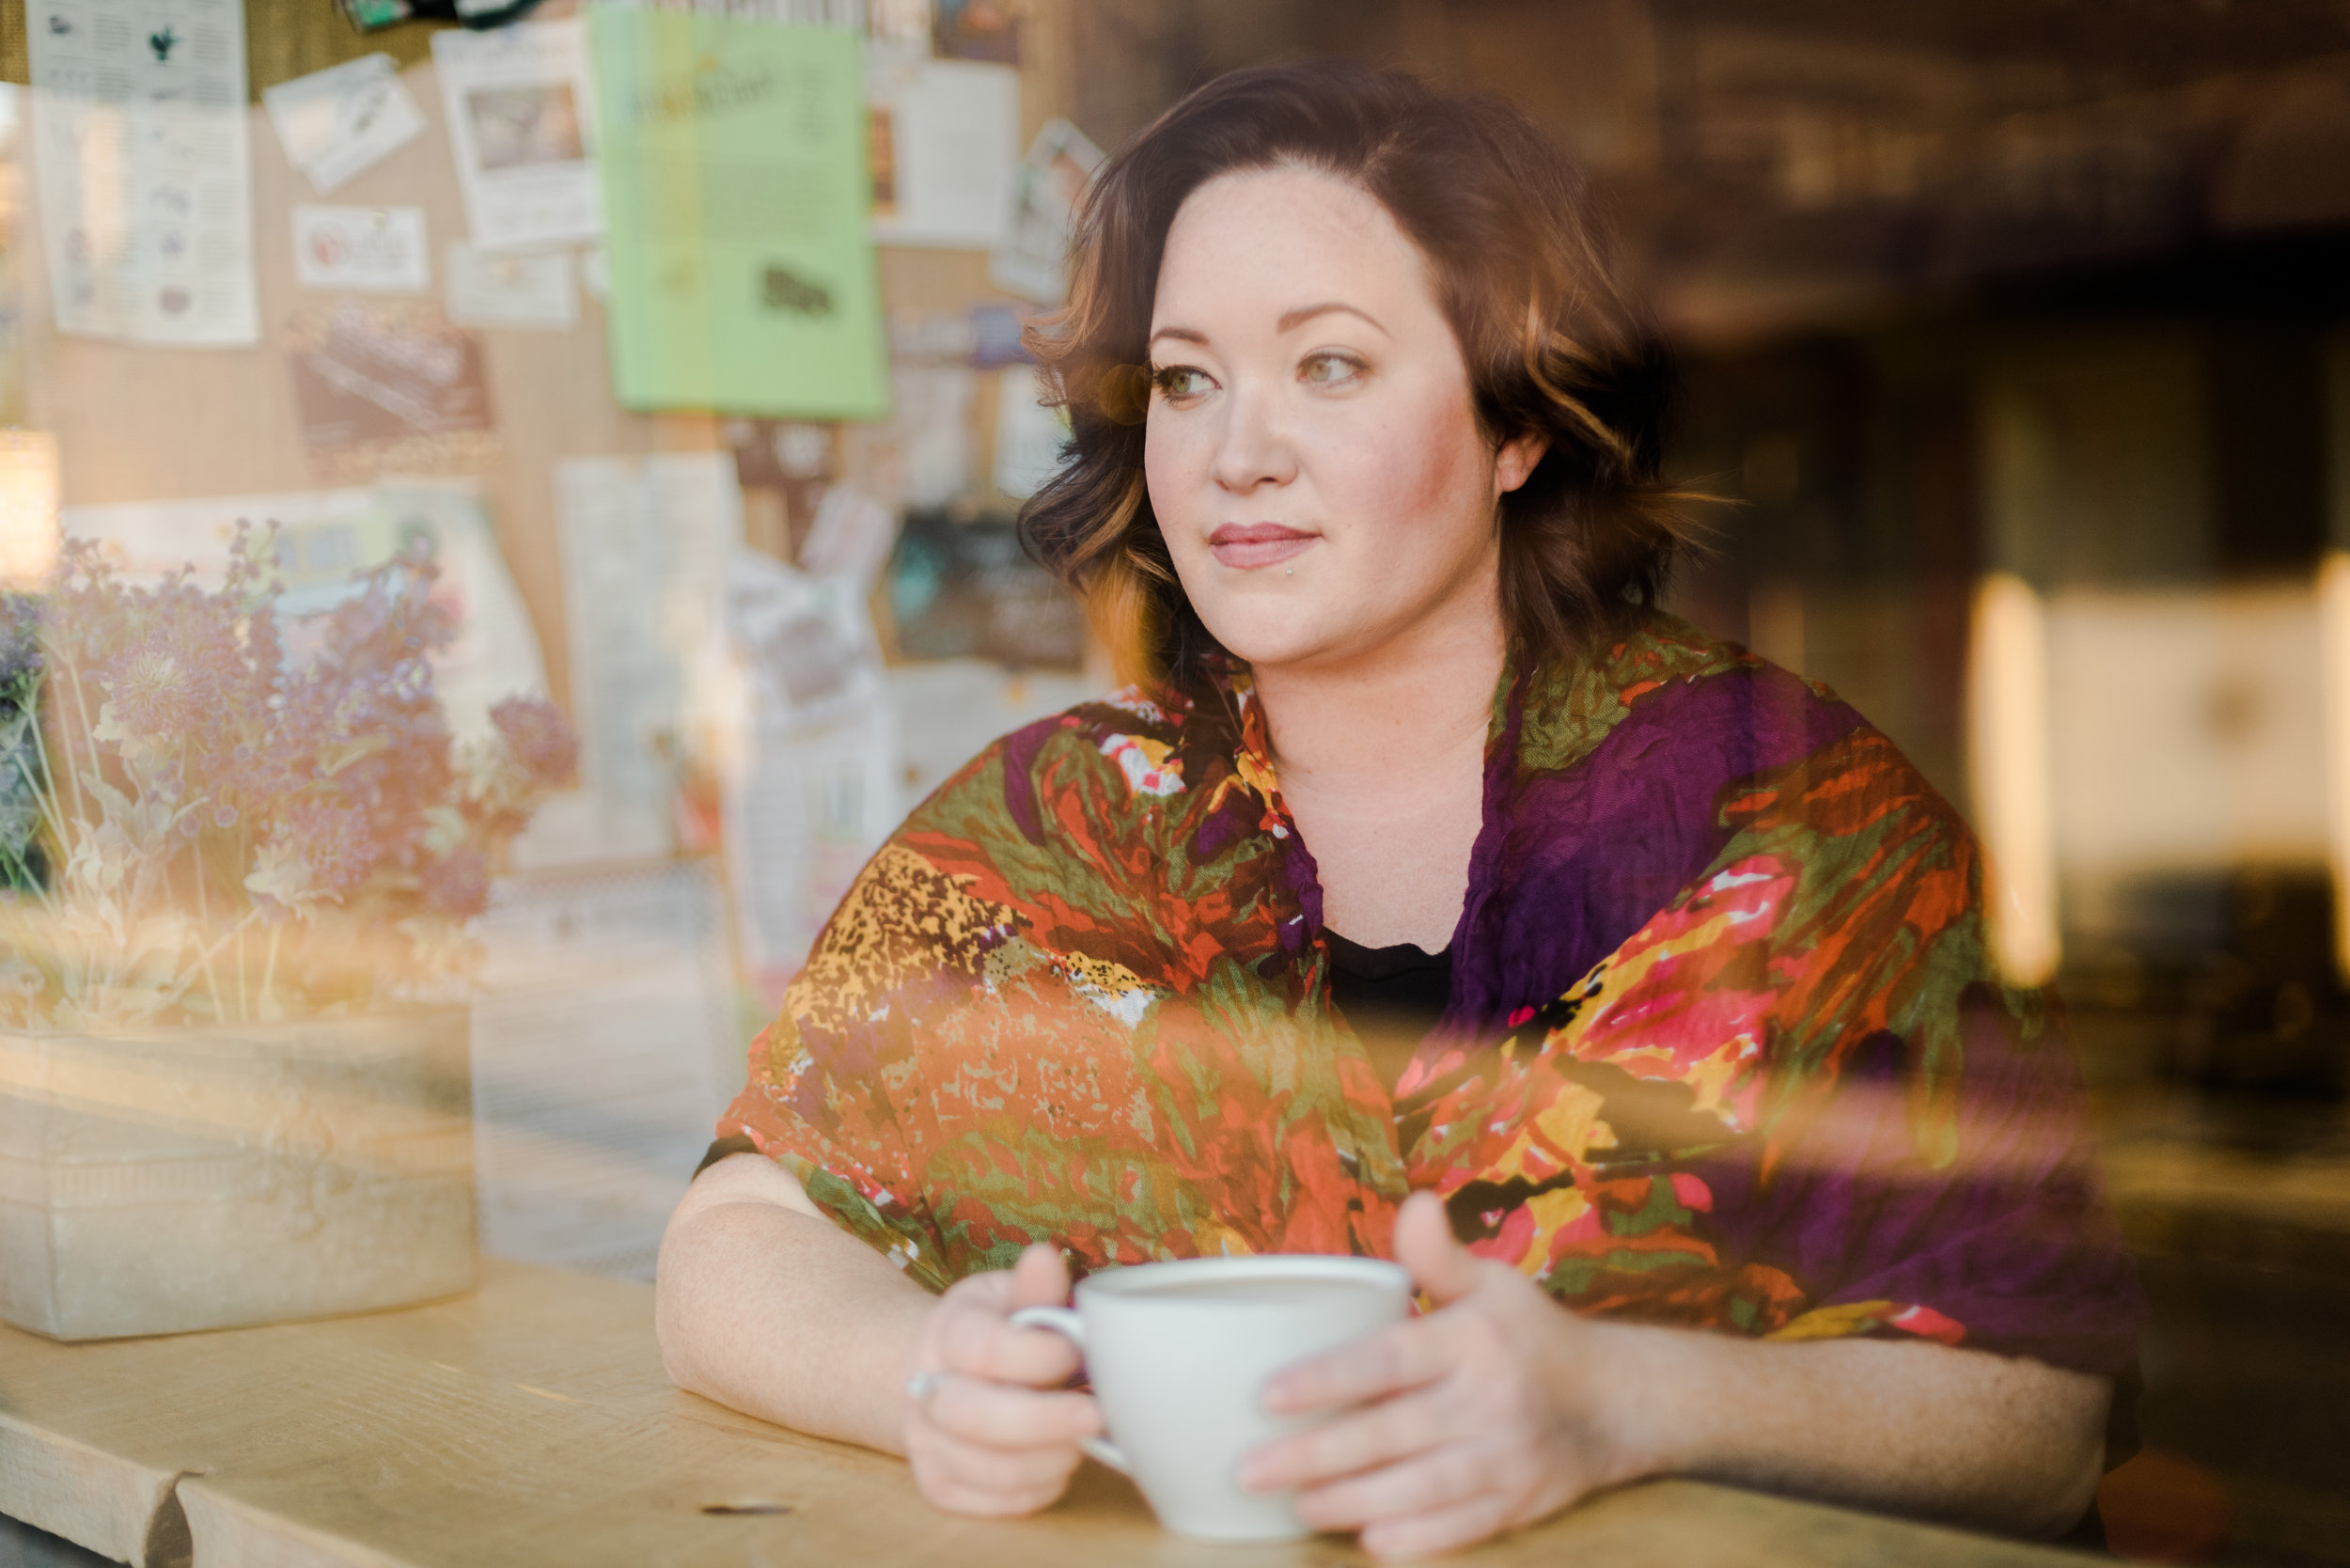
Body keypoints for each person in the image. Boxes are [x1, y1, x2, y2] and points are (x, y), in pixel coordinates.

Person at [657, 60, 2142, 1559]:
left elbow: (2038, 1424)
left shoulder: (1796, 824)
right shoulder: (1061, 823)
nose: (1238, 451)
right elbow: (731, 1251)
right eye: (1188, 377)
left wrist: (1630, 1399)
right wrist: (928, 1379)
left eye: (1331, 366)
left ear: (1518, 426)